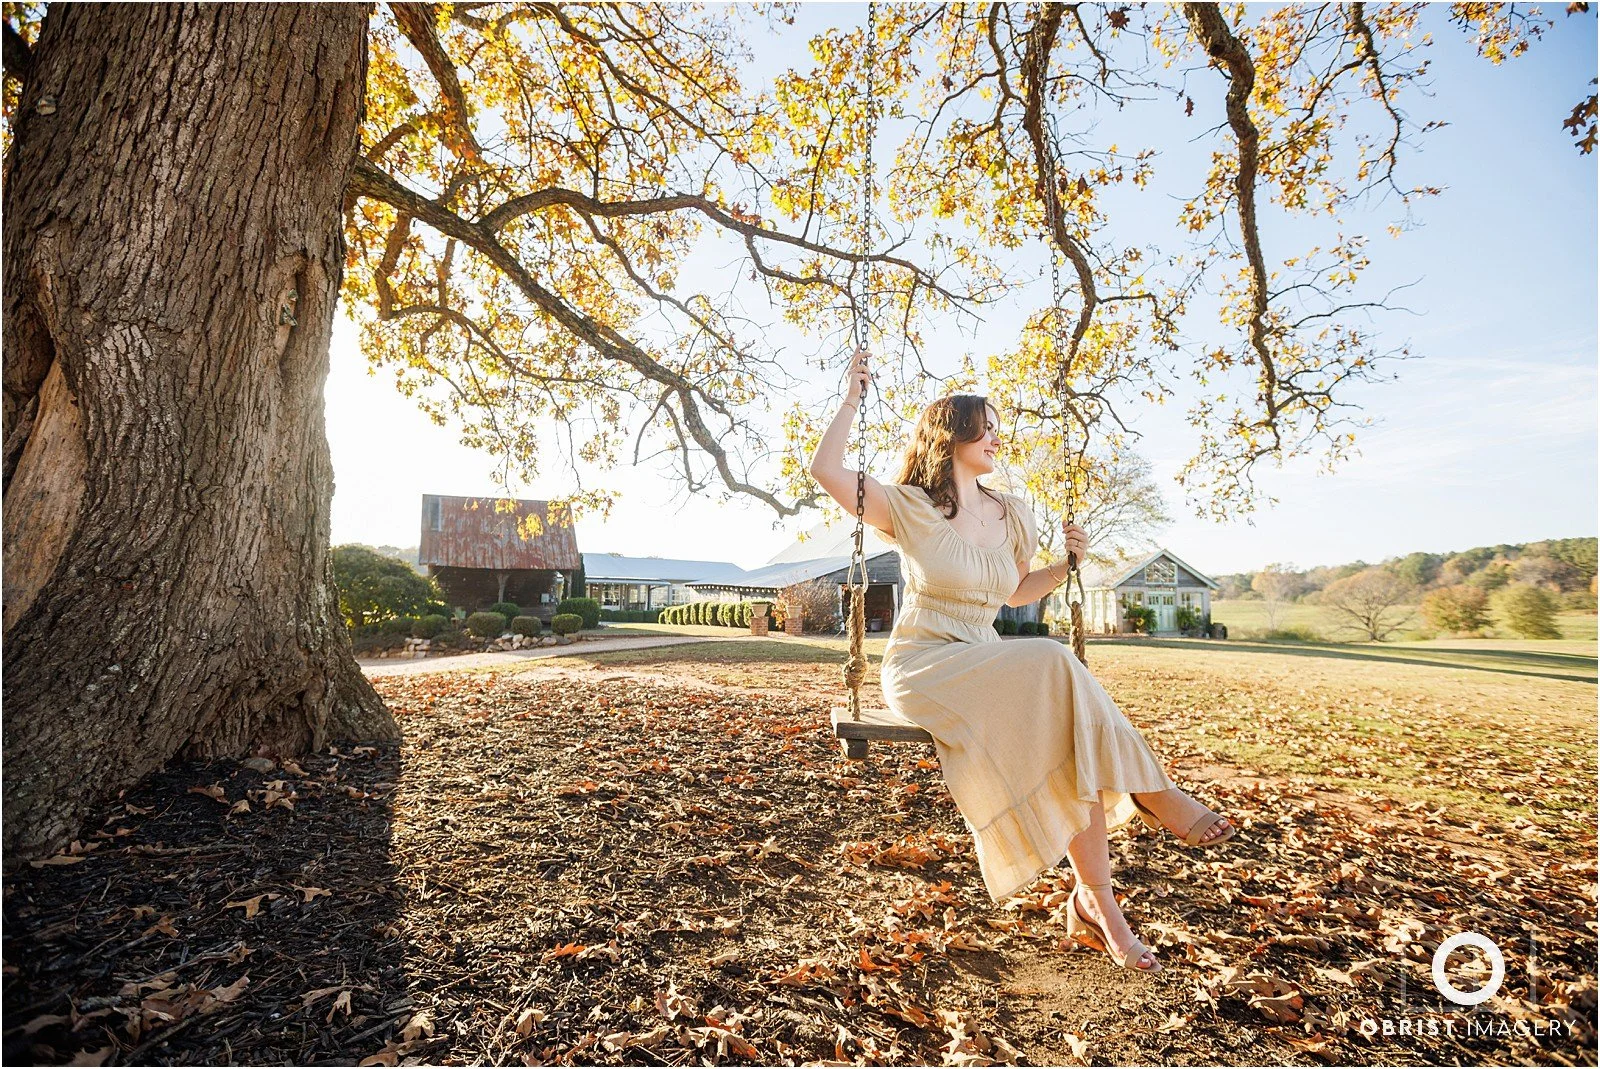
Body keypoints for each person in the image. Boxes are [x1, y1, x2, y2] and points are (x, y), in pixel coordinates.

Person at [808, 348, 1236, 974]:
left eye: (997, 427)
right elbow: (825, 469)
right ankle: (1155, 792)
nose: (995, 437)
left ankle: (1100, 907)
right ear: (949, 434)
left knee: (1071, 744)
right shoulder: (908, 506)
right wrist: (852, 397)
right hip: (925, 664)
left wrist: (1066, 568)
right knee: (1053, 660)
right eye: (983, 427)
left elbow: (1014, 592)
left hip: (988, 661)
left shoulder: (1013, 512)